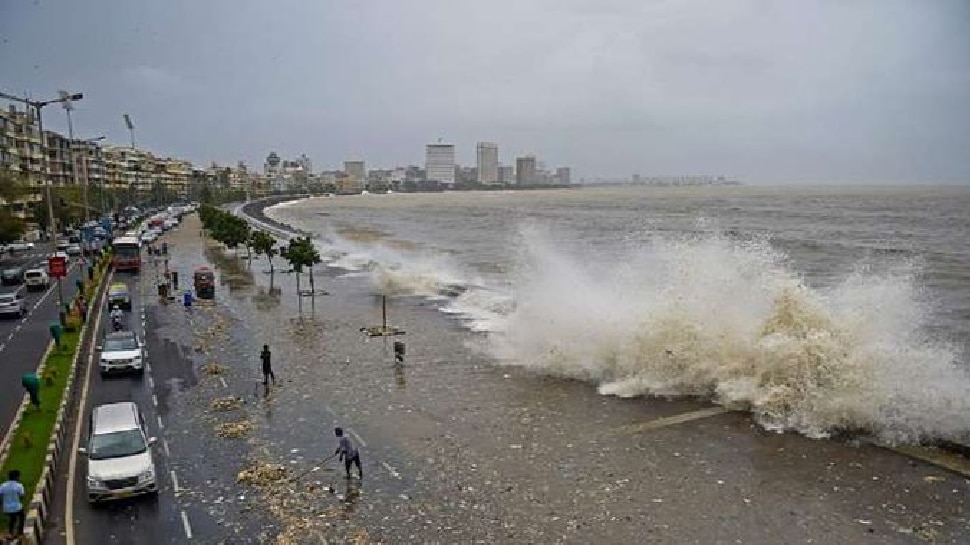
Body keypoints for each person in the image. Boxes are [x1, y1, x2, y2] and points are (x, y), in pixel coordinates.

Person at [0, 470, 25, 540]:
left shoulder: (3, 485)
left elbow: (0, 495)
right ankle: (20, 533)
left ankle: (10, 533)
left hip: (6, 508)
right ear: (16, 477)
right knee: (21, 516)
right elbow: (22, 496)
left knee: (12, 518)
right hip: (17, 507)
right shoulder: (19, 486)